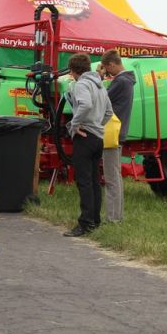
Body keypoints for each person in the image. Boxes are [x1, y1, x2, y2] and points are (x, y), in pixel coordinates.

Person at [63, 53, 113, 237]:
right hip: (97, 137)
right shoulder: (100, 85)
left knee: (83, 181)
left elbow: (84, 105)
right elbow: (109, 112)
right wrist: (98, 125)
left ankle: (84, 223)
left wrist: (75, 125)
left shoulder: (81, 84)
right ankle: (95, 220)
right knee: (94, 181)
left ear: (73, 71)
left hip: (84, 138)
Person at [99, 49, 136, 223]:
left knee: (111, 178)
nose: (107, 72)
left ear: (112, 64)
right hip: (119, 133)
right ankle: (117, 216)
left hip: (111, 134)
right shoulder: (128, 80)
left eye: (107, 69)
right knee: (116, 176)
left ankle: (113, 218)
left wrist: (98, 79)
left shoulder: (120, 81)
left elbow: (101, 100)